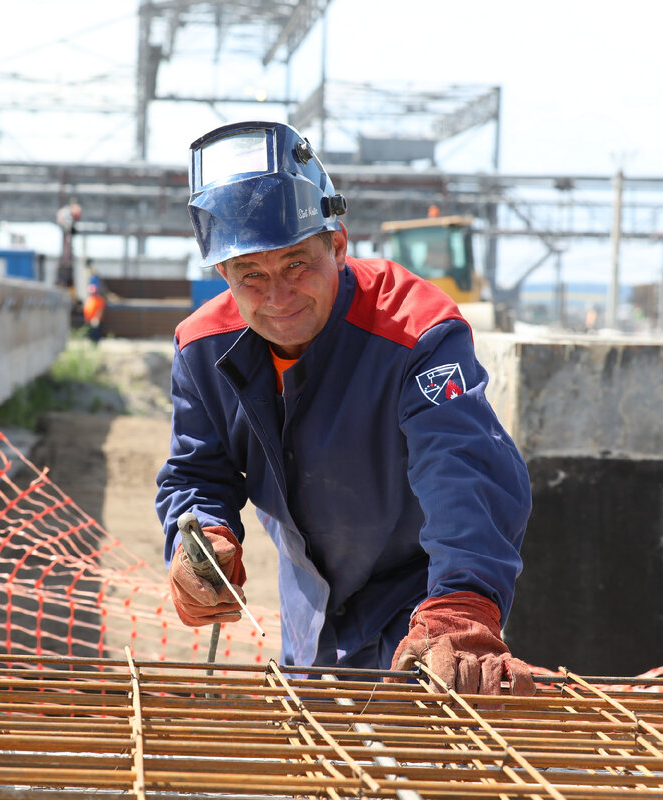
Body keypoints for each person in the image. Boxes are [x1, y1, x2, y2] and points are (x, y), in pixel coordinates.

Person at [155, 121, 535, 695]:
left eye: (296, 265)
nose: (277, 297)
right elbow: (197, 472)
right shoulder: (202, 350)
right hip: (310, 606)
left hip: (423, 610)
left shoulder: (416, 330)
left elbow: (462, 468)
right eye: (251, 275)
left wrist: (461, 602)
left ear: (337, 244)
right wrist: (202, 538)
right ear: (223, 274)